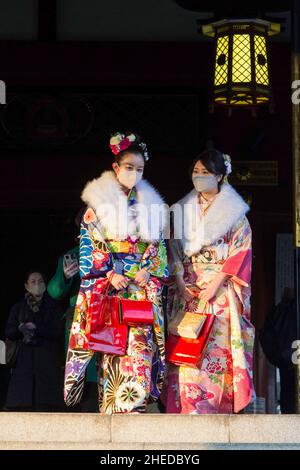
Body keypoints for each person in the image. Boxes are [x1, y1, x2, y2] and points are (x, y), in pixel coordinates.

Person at [64, 132, 169, 413]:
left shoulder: (152, 207)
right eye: (129, 167)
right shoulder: (96, 206)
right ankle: (112, 413)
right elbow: (91, 243)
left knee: (140, 349)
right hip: (111, 288)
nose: (134, 173)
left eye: (140, 169)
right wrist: (109, 273)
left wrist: (148, 268)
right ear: (116, 168)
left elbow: (157, 246)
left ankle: (135, 411)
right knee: (113, 350)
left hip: (139, 288)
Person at [162, 148, 255, 414]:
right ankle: (187, 406)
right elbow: (172, 250)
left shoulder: (235, 214)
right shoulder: (182, 211)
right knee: (187, 352)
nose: (199, 177)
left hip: (220, 293)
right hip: (189, 292)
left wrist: (216, 284)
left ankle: (217, 406)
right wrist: (179, 281)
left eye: (206, 173)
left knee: (216, 352)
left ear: (219, 176)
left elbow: (241, 251)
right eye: (196, 172)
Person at [48, 210, 98, 412]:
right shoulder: (73, 254)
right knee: (81, 370)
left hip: (106, 314)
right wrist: (67, 278)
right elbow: (54, 291)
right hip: (80, 317)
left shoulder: (113, 250)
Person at [5, 270, 63, 411]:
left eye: (40, 281)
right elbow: (9, 332)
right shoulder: (18, 307)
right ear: (26, 286)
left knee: (46, 404)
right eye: (33, 281)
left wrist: (36, 328)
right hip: (24, 364)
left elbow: (58, 331)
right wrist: (22, 328)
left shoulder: (53, 306)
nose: (37, 284)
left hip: (47, 362)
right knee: (22, 405)